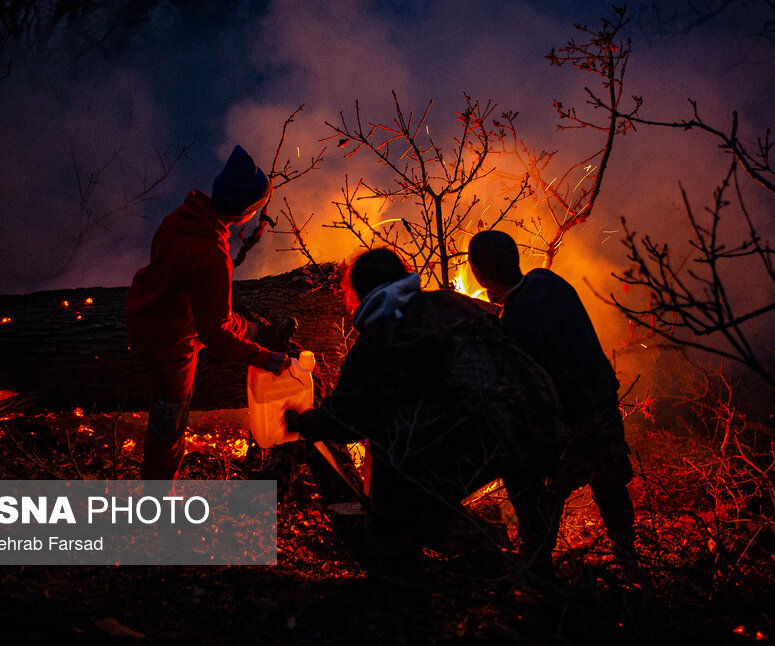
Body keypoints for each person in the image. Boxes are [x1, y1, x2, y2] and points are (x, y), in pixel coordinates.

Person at [285, 248, 566, 574]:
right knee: (525, 489)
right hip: (539, 418)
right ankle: (535, 575)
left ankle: (456, 570)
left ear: (359, 292)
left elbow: (347, 419)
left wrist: (303, 421)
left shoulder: (380, 336)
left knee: (389, 513)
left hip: (479, 437)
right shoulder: (454, 302)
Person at [126, 145, 290, 480]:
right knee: (169, 424)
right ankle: (158, 499)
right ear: (244, 212)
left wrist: (253, 332)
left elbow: (211, 312)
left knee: (163, 415)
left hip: (145, 315)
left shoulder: (181, 219)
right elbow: (213, 331)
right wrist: (264, 358)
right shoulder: (212, 255)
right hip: (171, 347)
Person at [468, 230, 636, 556]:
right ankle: (628, 558)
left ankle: (538, 568)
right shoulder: (548, 282)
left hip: (567, 431)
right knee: (611, 487)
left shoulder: (512, 327)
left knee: (540, 505)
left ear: (479, 276)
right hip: (602, 409)